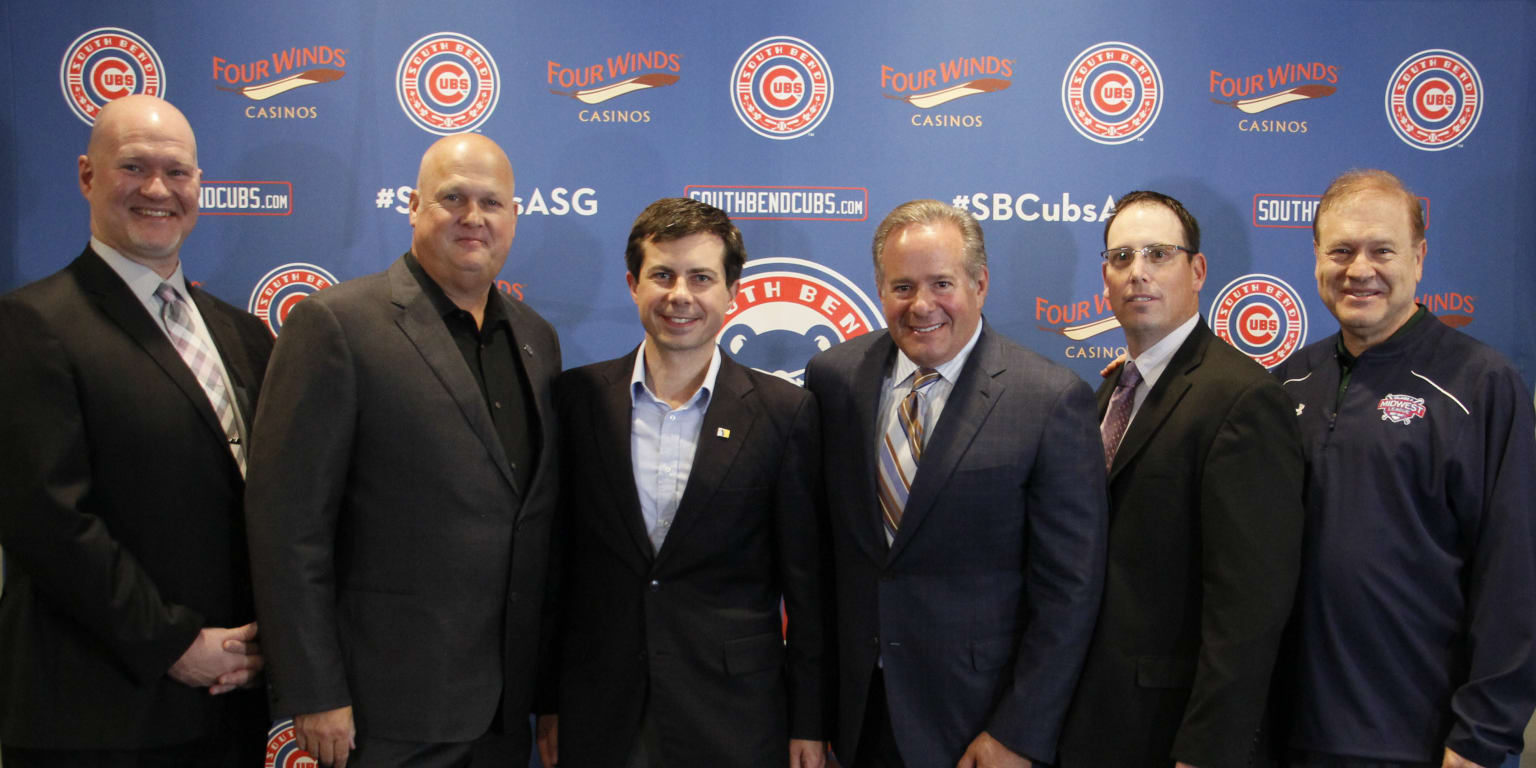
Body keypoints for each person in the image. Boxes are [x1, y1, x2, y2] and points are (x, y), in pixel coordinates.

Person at [245, 134, 562, 768]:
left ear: (515, 217)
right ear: (414, 206)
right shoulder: (336, 324)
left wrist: (547, 691)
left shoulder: (536, 338)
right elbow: (287, 527)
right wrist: (314, 689)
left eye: (492, 203)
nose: (474, 218)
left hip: (503, 712)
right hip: (383, 710)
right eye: (453, 198)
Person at [0, 95, 271, 766]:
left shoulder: (243, 333)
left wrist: (266, 645)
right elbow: (48, 519)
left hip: (227, 704)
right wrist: (176, 646)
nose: (158, 189)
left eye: (177, 172)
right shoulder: (32, 325)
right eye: (134, 167)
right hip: (99, 715)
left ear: (199, 187)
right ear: (88, 177)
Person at [804, 199, 1107, 767]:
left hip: (976, 726)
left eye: (941, 283)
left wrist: (1019, 732)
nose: (922, 306)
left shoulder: (1048, 399)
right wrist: (812, 714)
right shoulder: (832, 379)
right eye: (901, 287)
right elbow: (821, 562)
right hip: (855, 719)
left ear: (980, 283)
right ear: (878, 289)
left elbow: (1069, 592)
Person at [535, 198, 830, 768]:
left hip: (736, 715)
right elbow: (555, 569)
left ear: (731, 290)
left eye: (701, 277)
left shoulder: (784, 412)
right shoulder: (576, 400)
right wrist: (548, 700)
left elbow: (808, 591)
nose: (680, 296)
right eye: (662, 275)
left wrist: (809, 722)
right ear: (632, 284)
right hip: (600, 710)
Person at [1275, 169, 1536, 768]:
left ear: (1418, 258)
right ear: (1316, 257)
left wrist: (1480, 740)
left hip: (1422, 743)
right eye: (1340, 250)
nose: (1358, 269)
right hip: (1288, 734)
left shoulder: (1481, 384)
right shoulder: (1285, 383)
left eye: (1381, 250)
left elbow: (1514, 578)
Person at [1055, 191, 1305, 767]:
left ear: (1197, 271)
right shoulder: (1107, 394)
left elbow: (1249, 608)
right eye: (1122, 257)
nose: (1137, 272)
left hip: (1176, 736)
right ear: (1105, 277)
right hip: (1094, 722)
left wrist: (1208, 750)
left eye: (1158, 254)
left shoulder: (1241, 398)